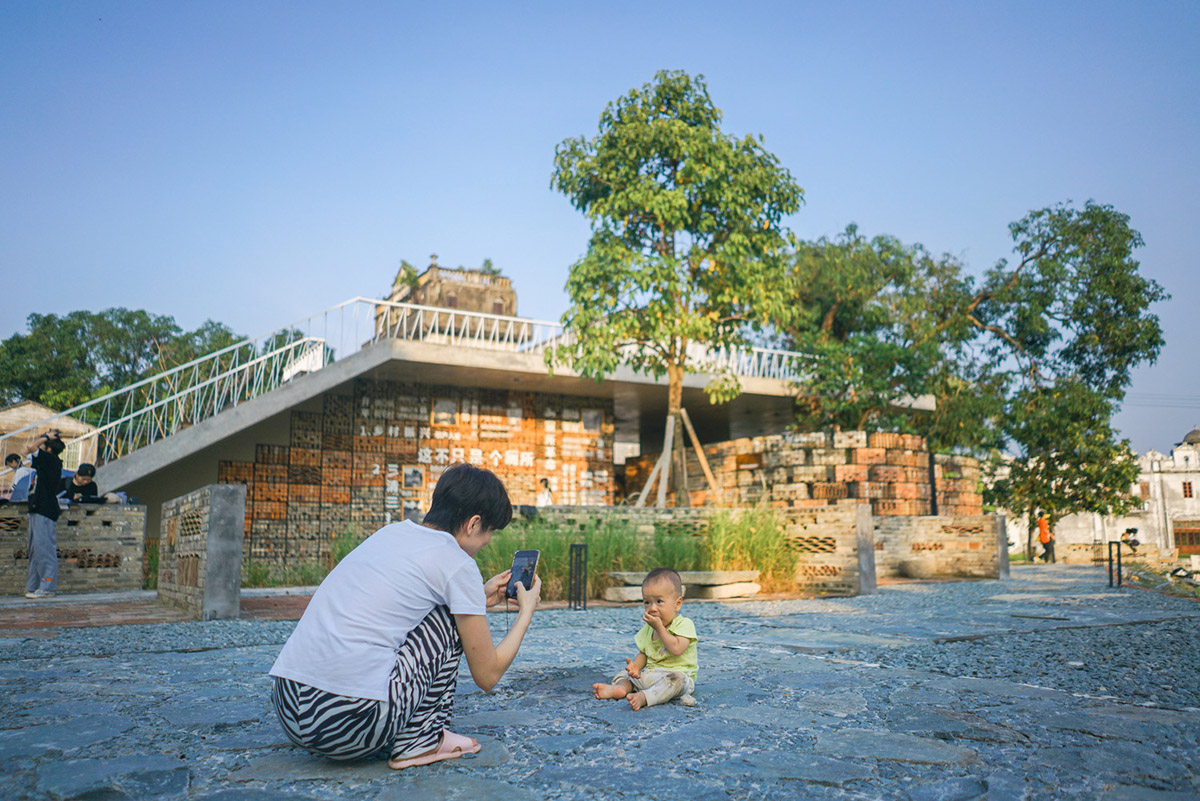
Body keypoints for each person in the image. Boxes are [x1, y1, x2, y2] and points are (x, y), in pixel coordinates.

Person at [269, 463, 541, 769]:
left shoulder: (391, 533)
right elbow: (487, 676)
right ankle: (419, 742)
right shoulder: (456, 562)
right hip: (346, 725)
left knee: (446, 610)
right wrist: (526, 613)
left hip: (290, 709)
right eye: (490, 531)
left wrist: (476, 597)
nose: (488, 540)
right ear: (473, 523)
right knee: (450, 618)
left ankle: (413, 733)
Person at [592, 567, 699, 710]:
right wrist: (635, 666)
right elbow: (644, 653)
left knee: (676, 681)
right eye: (647, 602)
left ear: (677, 604)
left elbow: (677, 649)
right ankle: (620, 689)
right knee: (624, 674)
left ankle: (645, 697)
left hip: (675, 676)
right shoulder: (648, 628)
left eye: (659, 601)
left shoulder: (684, 624)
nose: (652, 608)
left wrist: (660, 628)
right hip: (651, 674)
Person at [24, 430, 65, 599]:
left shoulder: (51, 460)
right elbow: (24, 452)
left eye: (43, 444)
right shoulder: (45, 461)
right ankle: (33, 586)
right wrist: (44, 434)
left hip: (45, 509)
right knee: (35, 550)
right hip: (37, 507)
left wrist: (47, 437)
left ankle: (47, 587)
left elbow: (30, 446)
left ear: (47, 448)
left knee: (45, 550)